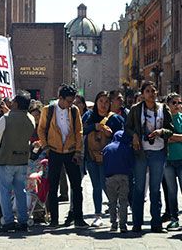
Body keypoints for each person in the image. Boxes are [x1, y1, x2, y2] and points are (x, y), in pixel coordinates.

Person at [37, 84, 88, 228]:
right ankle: (54, 219)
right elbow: (41, 129)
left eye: (72, 101)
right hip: (54, 151)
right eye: (68, 101)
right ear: (60, 98)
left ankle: (78, 218)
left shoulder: (74, 111)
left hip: (71, 151)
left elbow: (79, 131)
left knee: (76, 186)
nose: (70, 104)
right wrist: (46, 146)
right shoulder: (48, 110)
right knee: (53, 186)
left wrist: (78, 151)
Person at [126, 81, 173, 233]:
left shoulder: (163, 109)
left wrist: (161, 132)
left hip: (158, 151)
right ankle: (137, 223)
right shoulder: (135, 109)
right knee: (139, 188)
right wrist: (134, 136)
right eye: (147, 91)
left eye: (153, 90)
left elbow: (170, 130)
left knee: (155, 188)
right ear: (142, 94)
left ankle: (156, 223)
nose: (151, 93)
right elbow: (127, 127)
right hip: (141, 152)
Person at [0, 90, 35, 233]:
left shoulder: (6, 118)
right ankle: (23, 221)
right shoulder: (30, 118)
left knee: (4, 191)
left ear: (15, 103)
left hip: (6, 159)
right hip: (22, 159)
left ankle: (8, 221)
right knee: (20, 191)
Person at [82, 91, 125, 227]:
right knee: (96, 186)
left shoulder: (115, 119)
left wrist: (111, 135)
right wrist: (94, 127)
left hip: (108, 159)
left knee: (109, 186)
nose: (103, 104)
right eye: (101, 101)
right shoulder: (89, 116)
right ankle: (98, 215)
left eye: (106, 102)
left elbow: (122, 137)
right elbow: (81, 131)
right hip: (91, 156)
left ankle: (115, 212)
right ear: (96, 102)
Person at [103, 130, 134, 233]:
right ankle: (123, 225)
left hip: (110, 177)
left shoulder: (107, 148)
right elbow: (131, 164)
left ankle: (113, 224)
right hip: (124, 177)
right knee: (123, 201)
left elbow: (104, 163)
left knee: (112, 202)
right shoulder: (127, 149)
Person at [163, 92, 182, 230]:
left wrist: (171, 137)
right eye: (174, 103)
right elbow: (163, 138)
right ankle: (174, 218)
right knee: (171, 191)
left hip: (181, 159)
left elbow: (167, 136)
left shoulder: (181, 118)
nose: (177, 105)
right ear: (168, 105)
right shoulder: (163, 119)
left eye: (179, 103)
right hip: (168, 160)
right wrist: (178, 137)